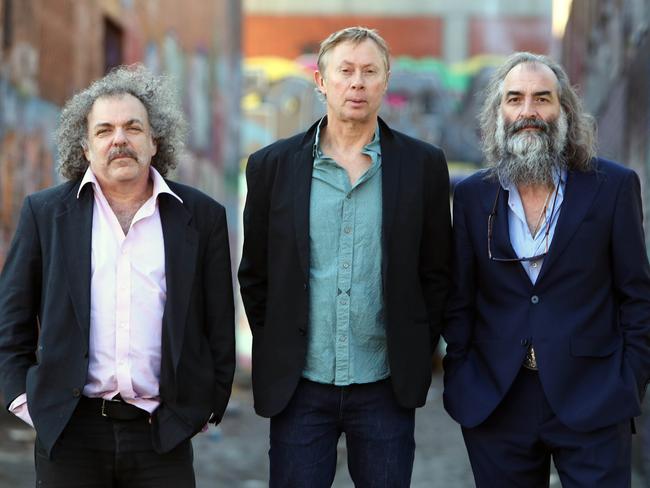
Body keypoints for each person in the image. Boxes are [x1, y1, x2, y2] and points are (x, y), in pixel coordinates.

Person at [0, 65, 236, 487]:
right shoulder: (46, 215)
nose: (119, 139)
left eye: (133, 127)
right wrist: (26, 402)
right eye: (104, 130)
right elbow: (10, 323)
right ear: (87, 147)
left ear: (154, 140)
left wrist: (204, 408)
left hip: (161, 435)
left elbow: (218, 327)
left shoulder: (201, 217)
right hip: (70, 433)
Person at [238, 26, 451, 487]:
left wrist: (414, 342)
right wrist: (282, 343)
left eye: (369, 72)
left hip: (384, 386)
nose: (357, 83)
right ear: (321, 81)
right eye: (346, 71)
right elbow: (255, 275)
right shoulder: (271, 167)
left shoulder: (423, 166)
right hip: (300, 388)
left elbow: (436, 273)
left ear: (386, 80)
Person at [443, 51, 650, 486]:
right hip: (497, 400)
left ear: (564, 111)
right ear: (498, 112)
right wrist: (462, 373)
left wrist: (629, 379)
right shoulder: (472, 197)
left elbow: (637, 295)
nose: (528, 112)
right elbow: (459, 298)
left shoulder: (612, 187)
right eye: (514, 99)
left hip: (594, 396)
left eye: (543, 99)